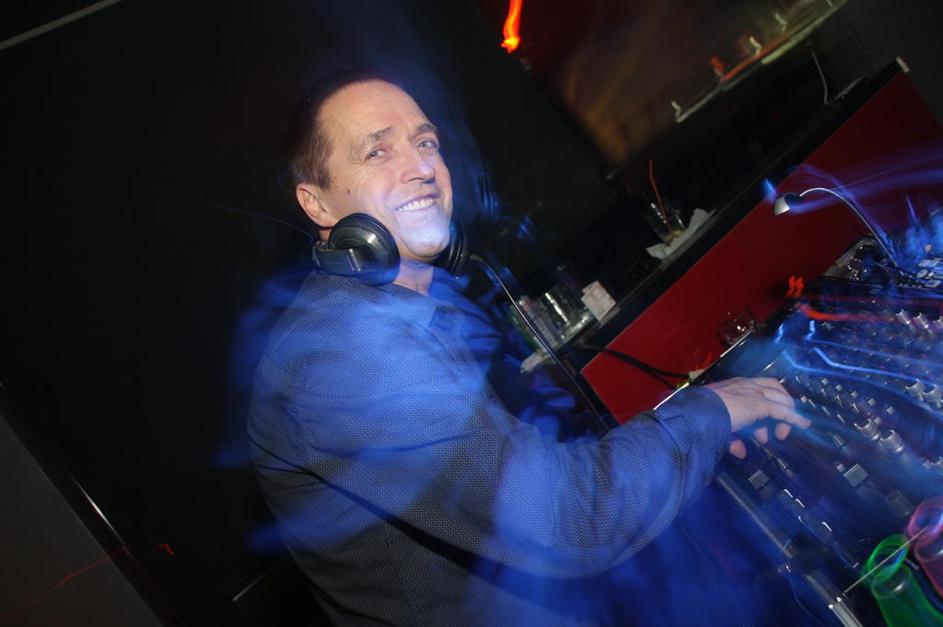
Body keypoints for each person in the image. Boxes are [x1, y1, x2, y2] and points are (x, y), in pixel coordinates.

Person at [247, 68, 810, 625]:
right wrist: (713, 411)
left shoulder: (407, 311)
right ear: (317, 204)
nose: (420, 167)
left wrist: (702, 440)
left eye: (426, 143)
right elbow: (568, 521)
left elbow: (532, 462)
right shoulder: (343, 353)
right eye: (377, 152)